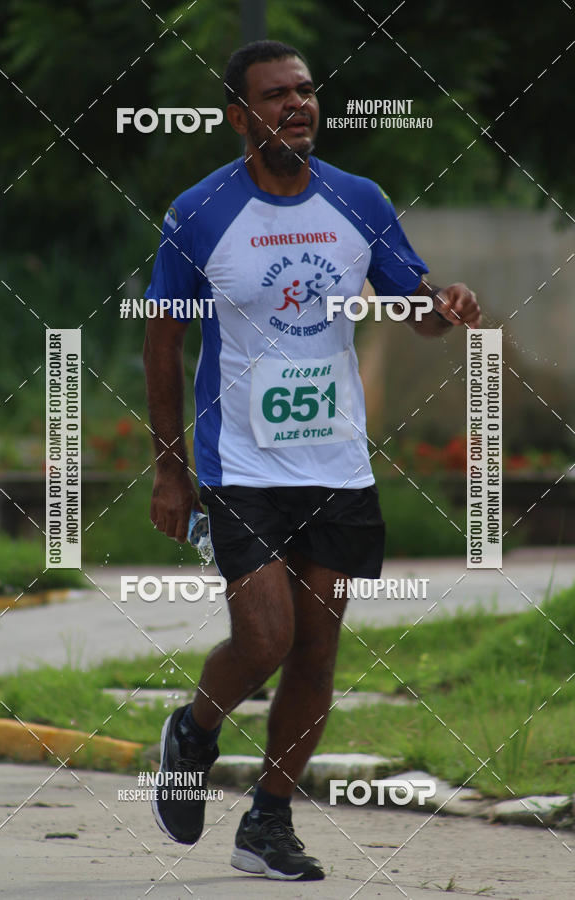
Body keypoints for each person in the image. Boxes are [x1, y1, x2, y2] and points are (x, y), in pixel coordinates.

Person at [143, 39, 481, 882]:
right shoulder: (200, 212)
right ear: (238, 115)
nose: (299, 104)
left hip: (334, 462)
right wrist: (169, 466)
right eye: (276, 94)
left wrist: (444, 305)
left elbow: (416, 310)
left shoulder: (358, 200)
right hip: (240, 463)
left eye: (306, 90)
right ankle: (193, 730)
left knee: (318, 654)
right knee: (263, 639)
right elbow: (161, 342)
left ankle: (269, 820)